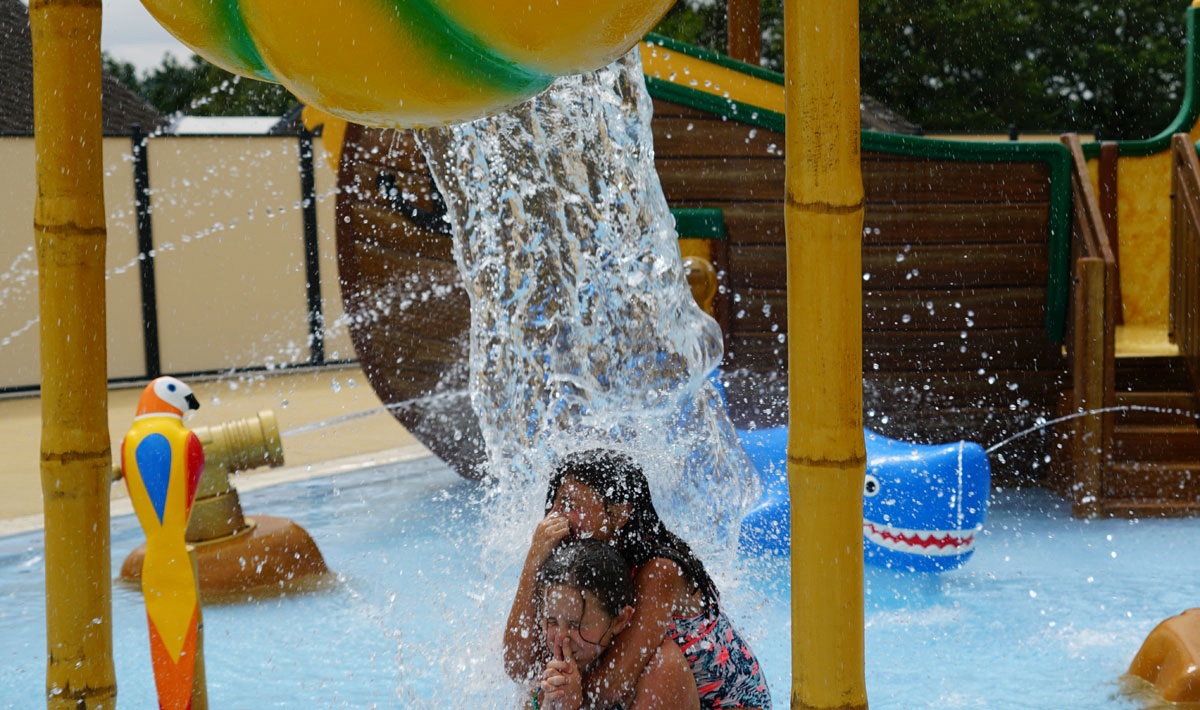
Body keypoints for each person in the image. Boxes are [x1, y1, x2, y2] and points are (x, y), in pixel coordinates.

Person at [505, 449, 772, 710]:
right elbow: (520, 666)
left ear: (620, 514)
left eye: (571, 505)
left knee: (661, 662)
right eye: (556, 504)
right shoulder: (574, 565)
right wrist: (534, 560)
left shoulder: (659, 570)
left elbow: (613, 683)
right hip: (650, 695)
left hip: (723, 703)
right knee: (543, 678)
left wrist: (560, 694)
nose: (556, 517)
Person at [530, 539, 698, 710]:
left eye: (576, 625)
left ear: (619, 620)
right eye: (552, 621)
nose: (561, 637)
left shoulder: (663, 670)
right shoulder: (554, 669)